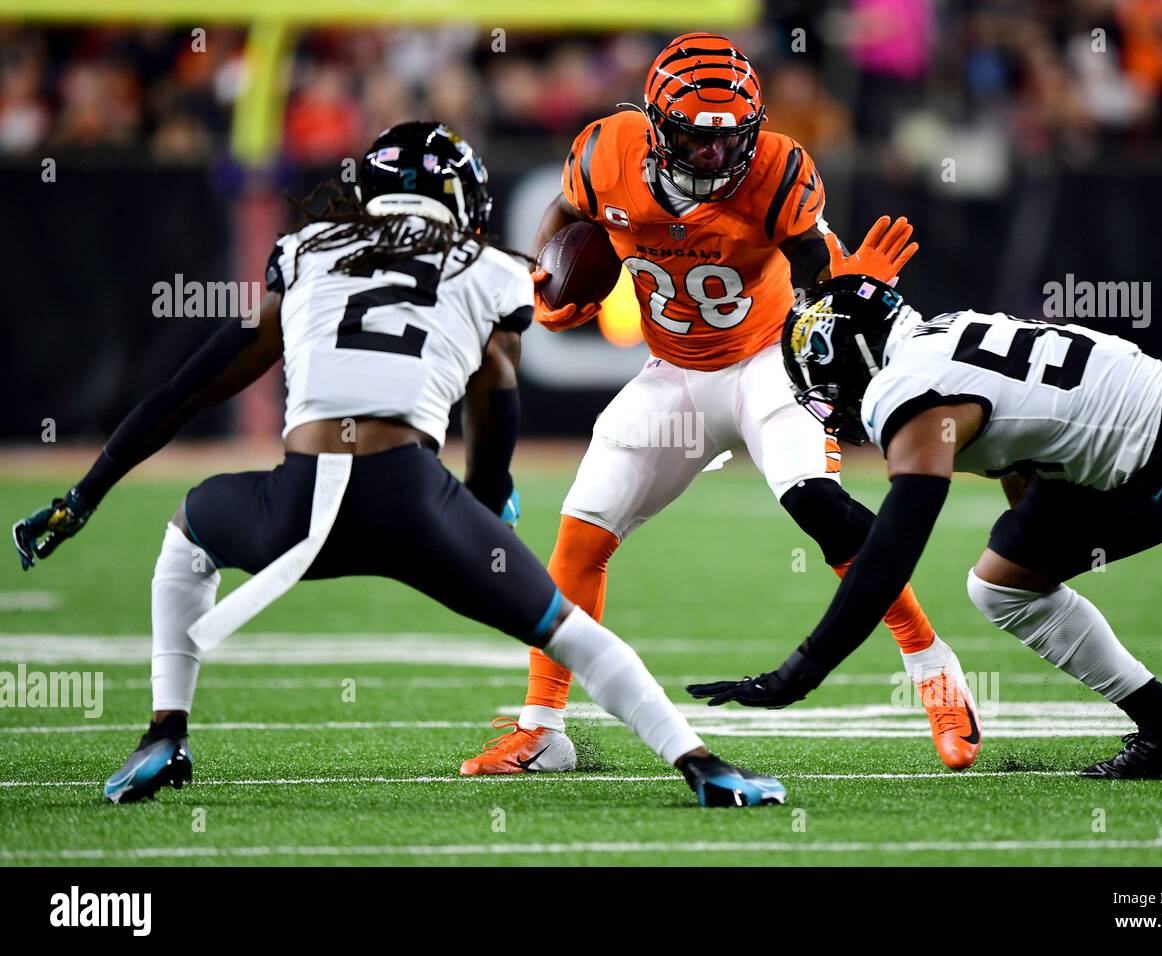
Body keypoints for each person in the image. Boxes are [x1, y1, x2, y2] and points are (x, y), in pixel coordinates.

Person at [11, 122, 785, 809]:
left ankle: (164, 734)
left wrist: (85, 494)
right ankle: (700, 762)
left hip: (294, 496)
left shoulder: (306, 253)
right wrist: (485, 506)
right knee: (571, 632)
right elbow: (497, 397)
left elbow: (186, 390)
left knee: (187, 533)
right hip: (413, 500)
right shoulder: (489, 270)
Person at [460, 33, 983, 777]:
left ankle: (934, 671)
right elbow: (565, 210)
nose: (713, 156)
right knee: (581, 532)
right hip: (672, 370)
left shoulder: (776, 170)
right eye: (693, 140)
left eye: (728, 139)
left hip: (766, 361)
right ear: (652, 124)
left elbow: (815, 276)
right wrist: (545, 279)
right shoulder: (605, 152)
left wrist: (849, 290)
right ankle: (545, 729)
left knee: (817, 504)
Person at [688, 228, 1162, 778]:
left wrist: (800, 672)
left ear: (854, 367)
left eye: (827, 386)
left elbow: (891, 553)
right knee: (1004, 583)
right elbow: (1027, 440)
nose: (833, 404)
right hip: (1133, 440)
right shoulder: (938, 332)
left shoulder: (906, 393)